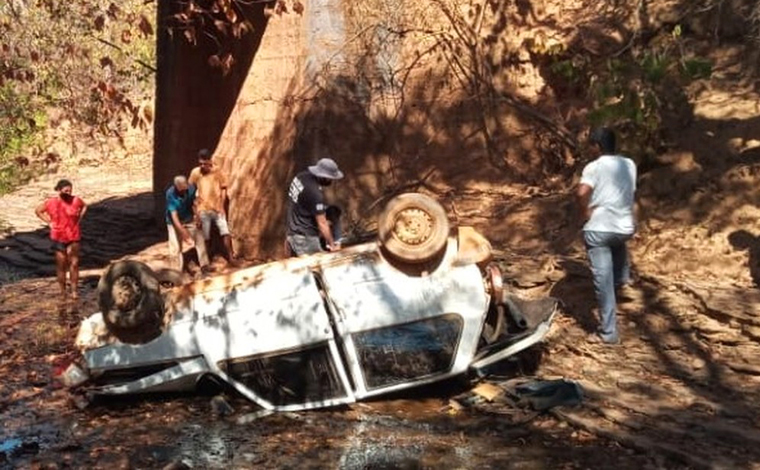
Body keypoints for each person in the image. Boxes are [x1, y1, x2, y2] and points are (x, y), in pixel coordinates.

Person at [576, 127, 637, 345]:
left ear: (597, 146)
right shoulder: (629, 164)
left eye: (590, 145)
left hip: (600, 230)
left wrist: (585, 213)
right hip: (625, 228)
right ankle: (623, 279)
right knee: (617, 241)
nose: (589, 150)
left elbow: (582, 192)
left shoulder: (594, 167)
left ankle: (608, 332)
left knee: (603, 280)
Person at [35, 179, 87, 301]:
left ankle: (74, 291)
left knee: (74, 264)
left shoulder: (76, 200)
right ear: (58, 190)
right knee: (61, 265)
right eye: (65, 191)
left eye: (70, 190)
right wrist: (49, 222)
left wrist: (79, 219)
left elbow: (84, 206)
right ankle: (63, 292)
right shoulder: (51, 202)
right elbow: (38, 211)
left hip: (73, 236)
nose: (68, 193)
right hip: (58, 236)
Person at [286, 158, 344, 256]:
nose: (332, 181)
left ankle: (336, 241)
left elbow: (295, 205)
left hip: (293, 233)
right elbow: (322, 223)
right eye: (331, 178)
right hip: (306, 240)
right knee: (318, 269)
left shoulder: (300, 177)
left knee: (333, 211)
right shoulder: (315, 193)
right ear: (324, 176)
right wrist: (332, 245)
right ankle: (335, 243)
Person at [188, 149, 236, 263]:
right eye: (200, 163)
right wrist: (195, 207)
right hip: (203, 209)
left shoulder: (217, 171)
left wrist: (222, 205)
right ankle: (206, 260)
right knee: (205, 236)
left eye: (205, 163)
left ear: (210, 161)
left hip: (217, 208)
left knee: (225, 232)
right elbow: (190, 189)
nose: (202, 166)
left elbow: (224, 188)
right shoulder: (196, 173)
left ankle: (230, 257)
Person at [166, 175, 209, 272]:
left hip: (188, 217)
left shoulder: (191, 188)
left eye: (185, 189)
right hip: (174, 222)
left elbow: (193, 203)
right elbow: (174, 215)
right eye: (181, 190)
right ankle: (176, 271)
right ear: (176, 187)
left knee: (200, 240)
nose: (184, 192)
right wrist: (183, 232)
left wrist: (197, 217)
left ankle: (205, 266)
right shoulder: (170, 194)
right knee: (175, 247)